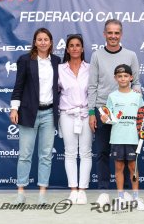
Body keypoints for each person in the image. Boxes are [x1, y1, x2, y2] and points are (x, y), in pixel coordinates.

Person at [88, 19, 141, 206]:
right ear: (104, 34)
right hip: (103, 109)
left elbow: (137, 83)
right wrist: (92, 112)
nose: (113, 36)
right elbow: (92, 86)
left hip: (126, 113)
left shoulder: (131, 55)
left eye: (116, 33)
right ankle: (103, 190)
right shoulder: (96, 55)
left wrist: (137, 94)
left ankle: (125, 190)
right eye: (109, 33)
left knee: (126, 156)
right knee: (102, 152)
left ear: (121, 34)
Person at [10, 27, 61, 205]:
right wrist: (14, 108)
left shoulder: (56, 61)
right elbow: (18, 86)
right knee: (25, 154)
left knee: (46, 154)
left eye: (46, 39)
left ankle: (42, 193)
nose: (43, 42)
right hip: (28, 112)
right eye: (39, 39)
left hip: (49, 113)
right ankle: (21, 191)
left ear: (51, 42)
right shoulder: (25, 60)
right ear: (34, 42)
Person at [100, 64, 144, 211]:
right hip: (117, 138)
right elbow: (108, 115)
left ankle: (135, 198)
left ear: (131, 77)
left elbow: (143, 116)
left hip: (133, 138)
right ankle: (120, 198)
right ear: (115, 78)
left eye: (125, 76)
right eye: (119, 76)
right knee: (119, 167)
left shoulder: (137, 96)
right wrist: (104, 118)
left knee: (133, 168)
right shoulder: (112, 97)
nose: (123, 78)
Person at [58, 34, 92, 205]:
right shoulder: (60, 69)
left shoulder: (90, 68)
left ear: (83, 48)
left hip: (86, 115)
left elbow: (94, 91)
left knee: (85, 152)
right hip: (67, 114)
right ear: (67, 49)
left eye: (78, 45)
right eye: (71, 45)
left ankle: (82, 190)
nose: (75, 48)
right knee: (70, 152)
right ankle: (73, 190)